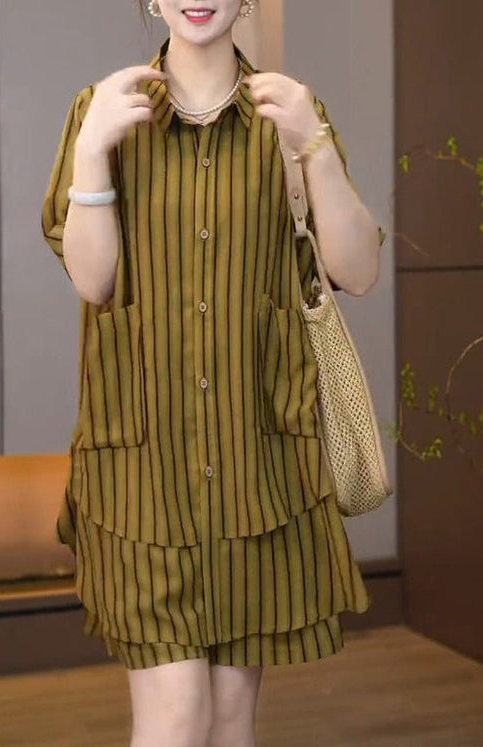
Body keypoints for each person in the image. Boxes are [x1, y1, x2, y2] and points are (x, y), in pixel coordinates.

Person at [41, 1, 386, 745]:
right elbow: (93, 281)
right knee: (175, 716)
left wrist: (315, 146)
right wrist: (93, 153)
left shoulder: (290, 117)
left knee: (230, 722)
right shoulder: (100, 111)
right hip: (139, 482)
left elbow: (358, 270)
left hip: (257, 475)